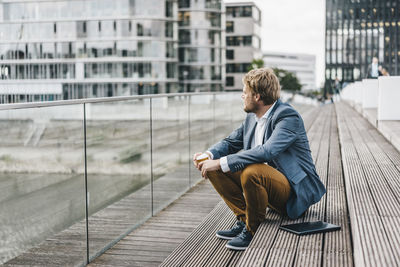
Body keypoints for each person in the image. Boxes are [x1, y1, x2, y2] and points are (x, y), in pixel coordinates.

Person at [193, 68, 326, 251]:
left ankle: (252, 230)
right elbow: (231, 142)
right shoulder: (251, 118)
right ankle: (244, 219)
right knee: (213, 167)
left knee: (251, 171)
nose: (242, 96)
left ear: (256, 96)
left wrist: (222, 161)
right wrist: (208, 156)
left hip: (294, 194)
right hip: (265, 188)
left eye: (245, 92)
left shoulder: (287, 116)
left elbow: (267, 151)